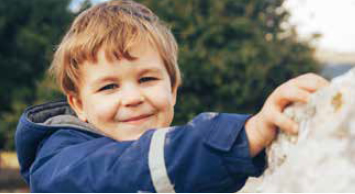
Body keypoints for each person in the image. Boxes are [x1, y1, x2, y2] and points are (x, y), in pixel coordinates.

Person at [15, 0, 329, 192]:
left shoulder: (178, 163)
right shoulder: (58, 161)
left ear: (173, 90)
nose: (133, 97)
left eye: (147, 78)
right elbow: (120, 170)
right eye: (109, 87)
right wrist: (245, 135)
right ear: (78, 104)